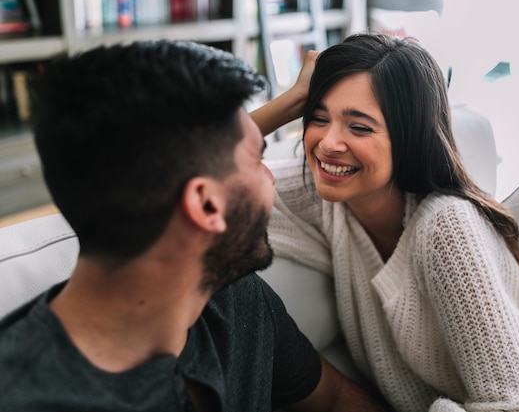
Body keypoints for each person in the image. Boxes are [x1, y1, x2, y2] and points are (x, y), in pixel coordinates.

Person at [0, 40, 388, 412]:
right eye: (257, 160)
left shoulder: (231, 296)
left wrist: (291, 104)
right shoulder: (27, 396)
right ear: (205, 204)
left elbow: (334, 399)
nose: (272, 180)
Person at [252, 32, 519, 411]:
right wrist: (289, 103)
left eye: (359, 127)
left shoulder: (446, 228)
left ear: (408, 137)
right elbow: (200, 176)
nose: (328, 142)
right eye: (318, 118)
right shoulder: (324, 195)